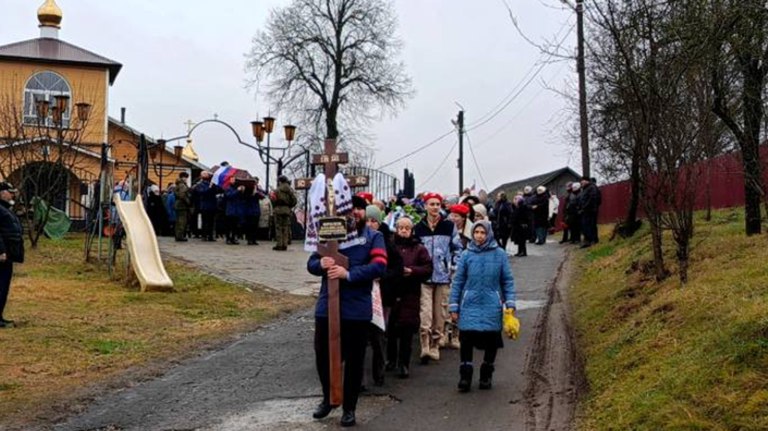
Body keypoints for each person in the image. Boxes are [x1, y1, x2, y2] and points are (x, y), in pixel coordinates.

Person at [308, 195, 388, 427]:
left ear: (365, 213)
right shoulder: (330, 233)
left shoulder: (374, 237)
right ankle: (328, 398)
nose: (354, 213)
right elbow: (312, 262)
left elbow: (379, 267)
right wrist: (320, 265)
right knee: (323, 355)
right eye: (349, 209)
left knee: (354, 359)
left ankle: (349, 408)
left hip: (356, 308)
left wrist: (348, 273)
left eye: (359, 209)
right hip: (327, 305)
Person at [449, 220, 516, 392]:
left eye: (482, 232)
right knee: (466, 340)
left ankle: (486, 374)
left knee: (492, 340)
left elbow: (507, 280)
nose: (479, 236)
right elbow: (458, 282)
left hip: (491, 303)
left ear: (488, 234)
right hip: (469, 303)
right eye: (476, 232)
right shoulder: (466, 254)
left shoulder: (499, 254)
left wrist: (510, 303)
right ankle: (465, 376)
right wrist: (454, 306)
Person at [413, 192, 462, 364]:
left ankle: (435, 345)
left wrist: (453, 267)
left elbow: (457, 248)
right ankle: (425, 344)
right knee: (425, 312)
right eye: (431, 204)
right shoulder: (418, 228)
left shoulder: (448, 226)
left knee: (441, 312)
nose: (434, 207)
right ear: (425, 206)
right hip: (425, 276)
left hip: (443, 276)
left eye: (437, 204)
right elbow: (414, 250)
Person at [387, 216, 433, 378]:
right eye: (401, 228)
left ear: (411, 231)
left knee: (406, 330)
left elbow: (428, 268)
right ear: (397, 229)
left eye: (407, 228)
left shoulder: (419, 248)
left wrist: (412, 271)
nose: (404, 231)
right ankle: (390, 359)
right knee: (390, 329)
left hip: (410, 293)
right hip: (392, 292)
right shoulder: (390, 246)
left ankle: (403, 364)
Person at [0, 182, 23, 328]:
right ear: (2, 193)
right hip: (3, 255)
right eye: (10, 192)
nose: (12, 194)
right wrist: (1, 250)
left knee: (3, 286)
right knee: (1, 286)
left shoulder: (5, 209)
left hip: (9, 254)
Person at [192, 171, 220, 241]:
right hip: (205, 205)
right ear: (201, 176)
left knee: (211, 222)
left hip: (212, 205)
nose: (206, 174)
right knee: (205, 222)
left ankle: (210, 236)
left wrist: (214, 186)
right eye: (204, 174)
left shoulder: (212, 183)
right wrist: (210, 187)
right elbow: (203, 192)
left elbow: (218, 190)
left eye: (207, 174)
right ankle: (204, 235)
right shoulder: (199, 185)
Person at [273, 175, 297, 251]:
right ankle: (285, 244)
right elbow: (294, 201)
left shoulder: (277, 190)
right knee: (286, 227)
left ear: (280, 181)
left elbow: (273, 200)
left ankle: (279, 244)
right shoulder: (290, 190)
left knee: (278, 227)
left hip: (278, 209)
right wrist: (289, 206)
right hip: (287, 210)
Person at [174, 172, 191, 242]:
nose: (186, 179)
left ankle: (178, 235)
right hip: (182, 205)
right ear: (183, 177)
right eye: (186, 178)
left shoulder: (178, 184)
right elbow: (182, 195)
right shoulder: (182, 185)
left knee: (178, 221)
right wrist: (188, 202)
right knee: (182, 221)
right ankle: (180, 236)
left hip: (178, 204)